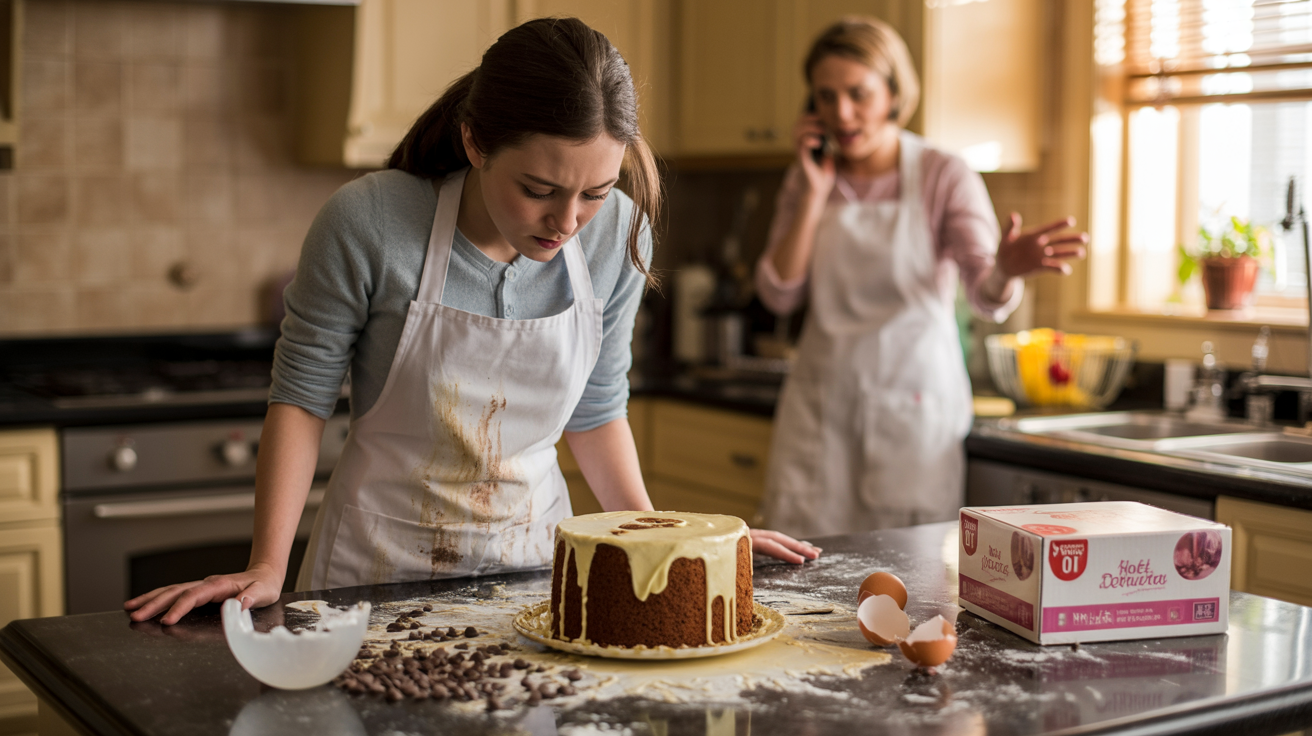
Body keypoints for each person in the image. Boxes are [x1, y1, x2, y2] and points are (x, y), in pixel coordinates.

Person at [128, 17, 819, 626]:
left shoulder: (617, 239)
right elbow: (301, 400)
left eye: (596, 194)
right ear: (476, 143)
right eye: (539, 190)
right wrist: (267, 565)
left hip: (536, 580)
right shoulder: (369, 222)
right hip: (374, 577)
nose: (567, 222)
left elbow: (597, 409)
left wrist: (662, 535)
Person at [756, 17, 1087, 538]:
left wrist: (1006, 269)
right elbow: (778, 293)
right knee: (799, 585)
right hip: (820, 415)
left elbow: (985, 294)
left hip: (912, 418)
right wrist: (815, 191)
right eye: (825, 96)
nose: (841, 113)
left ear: (893, 93)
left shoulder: (942, 174)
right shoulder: (808, 179)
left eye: (858, 93)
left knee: (911, 590)